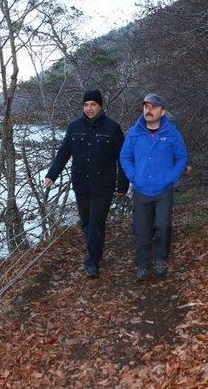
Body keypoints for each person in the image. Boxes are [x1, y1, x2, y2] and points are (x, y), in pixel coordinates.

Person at [45, 89, 128, 278]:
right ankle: (94, 252)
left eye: (93, 104)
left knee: (96, 222)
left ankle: (92, 263)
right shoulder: (74, 127)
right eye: (86, 104)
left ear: (100, 106)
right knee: (85, 223)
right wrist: (52, 175)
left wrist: (122, 185)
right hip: (81, 183)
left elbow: (122, 158)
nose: (89, 108)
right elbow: (64, 152)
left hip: (103, 184)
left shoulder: (112, 128)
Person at [120, 93, 188, 281]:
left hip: (163, 190)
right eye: (146, 106)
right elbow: (125, 157)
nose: (148, 110)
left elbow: (182, 158)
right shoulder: (134, 132)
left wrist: (172, 177)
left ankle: (160, 259)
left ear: (162, 111)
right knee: (141, 229)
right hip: (141, 189)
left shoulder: (172, 132)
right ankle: (143, 265)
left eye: (153, 107)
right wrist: (133, 176)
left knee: (163, 226)